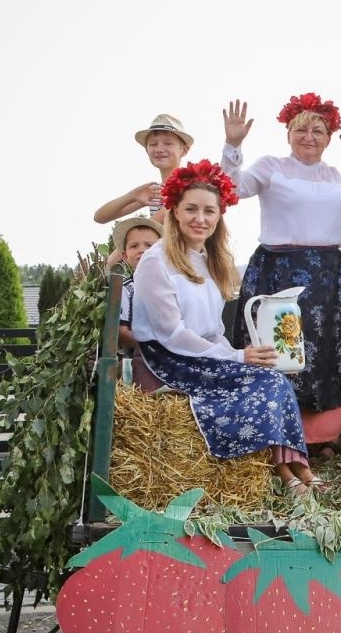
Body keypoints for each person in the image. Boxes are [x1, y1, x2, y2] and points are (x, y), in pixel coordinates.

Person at [220, 95, 341, 446]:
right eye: (301, 129)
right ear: (288, 133)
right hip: (279, 272)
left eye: (318, 130)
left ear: (329, 137)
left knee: (323, 360)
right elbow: (230, 189)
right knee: (282, 357)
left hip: (327, 278)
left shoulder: (334, 176)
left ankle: (322, 439)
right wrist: (233, 144)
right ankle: (278, 440)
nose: (309, 136)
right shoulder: (270, 166)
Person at [129, 160, 314, 493]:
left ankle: (300, 471)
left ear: (219, 216)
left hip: (200, 351)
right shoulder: (155, 262)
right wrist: (237, 358)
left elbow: (213, 329)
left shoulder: (212, 261)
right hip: (170, 357)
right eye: (191, 209)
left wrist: (231, 353)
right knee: (266, 382)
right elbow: (173, 334)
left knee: (274, 375)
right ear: (174, 211)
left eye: (209, 211)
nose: (200, 219)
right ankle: (288, 475)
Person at [93, 114, 194, 225]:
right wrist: (131, 196)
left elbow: (152, 228)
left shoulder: (193, 186)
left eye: (168, 143)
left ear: (184, 150)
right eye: (153, 144)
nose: (159, 149)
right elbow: (100, 217)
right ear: (147, 150)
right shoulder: (155, 192)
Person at [109, 216, 163, 389]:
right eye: (134, 246)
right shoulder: (126, 289)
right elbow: (122, 331)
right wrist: (154, 348)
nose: (142, 250)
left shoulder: (173, 285)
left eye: (149, 246)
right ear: (124, 255)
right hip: (138, 358)